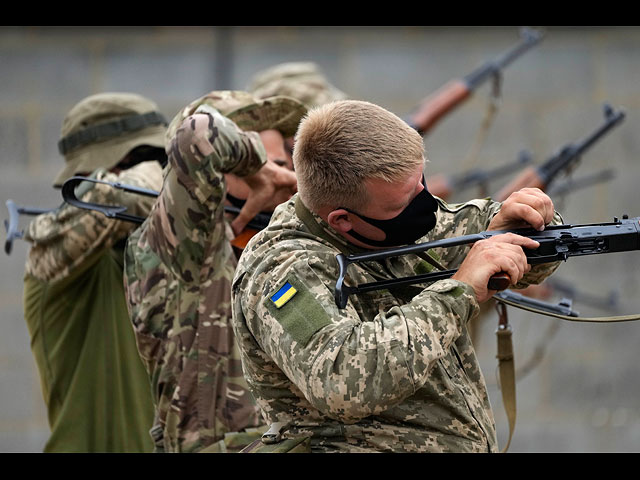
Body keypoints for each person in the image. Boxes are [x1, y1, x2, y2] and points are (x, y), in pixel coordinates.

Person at [231, 99, 563, 453]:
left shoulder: (397, 222)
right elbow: (341, 380)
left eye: (420, 182)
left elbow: (515, 250)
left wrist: (532, 221)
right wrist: (458, 292)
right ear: (342, 220)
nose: (425, 204)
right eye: (401, 203)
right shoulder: (280, 267)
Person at [123, 90, 308, 453]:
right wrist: (256, 164)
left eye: (284, 161)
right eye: (263, 162)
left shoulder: (285, 243)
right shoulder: (185, 246)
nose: (281, 171)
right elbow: (198, 136)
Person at [22, 92, 166, 452]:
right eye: (147, 157)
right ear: (89, 176)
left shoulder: (158, 252)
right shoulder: (53, 254)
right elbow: (125, 195)